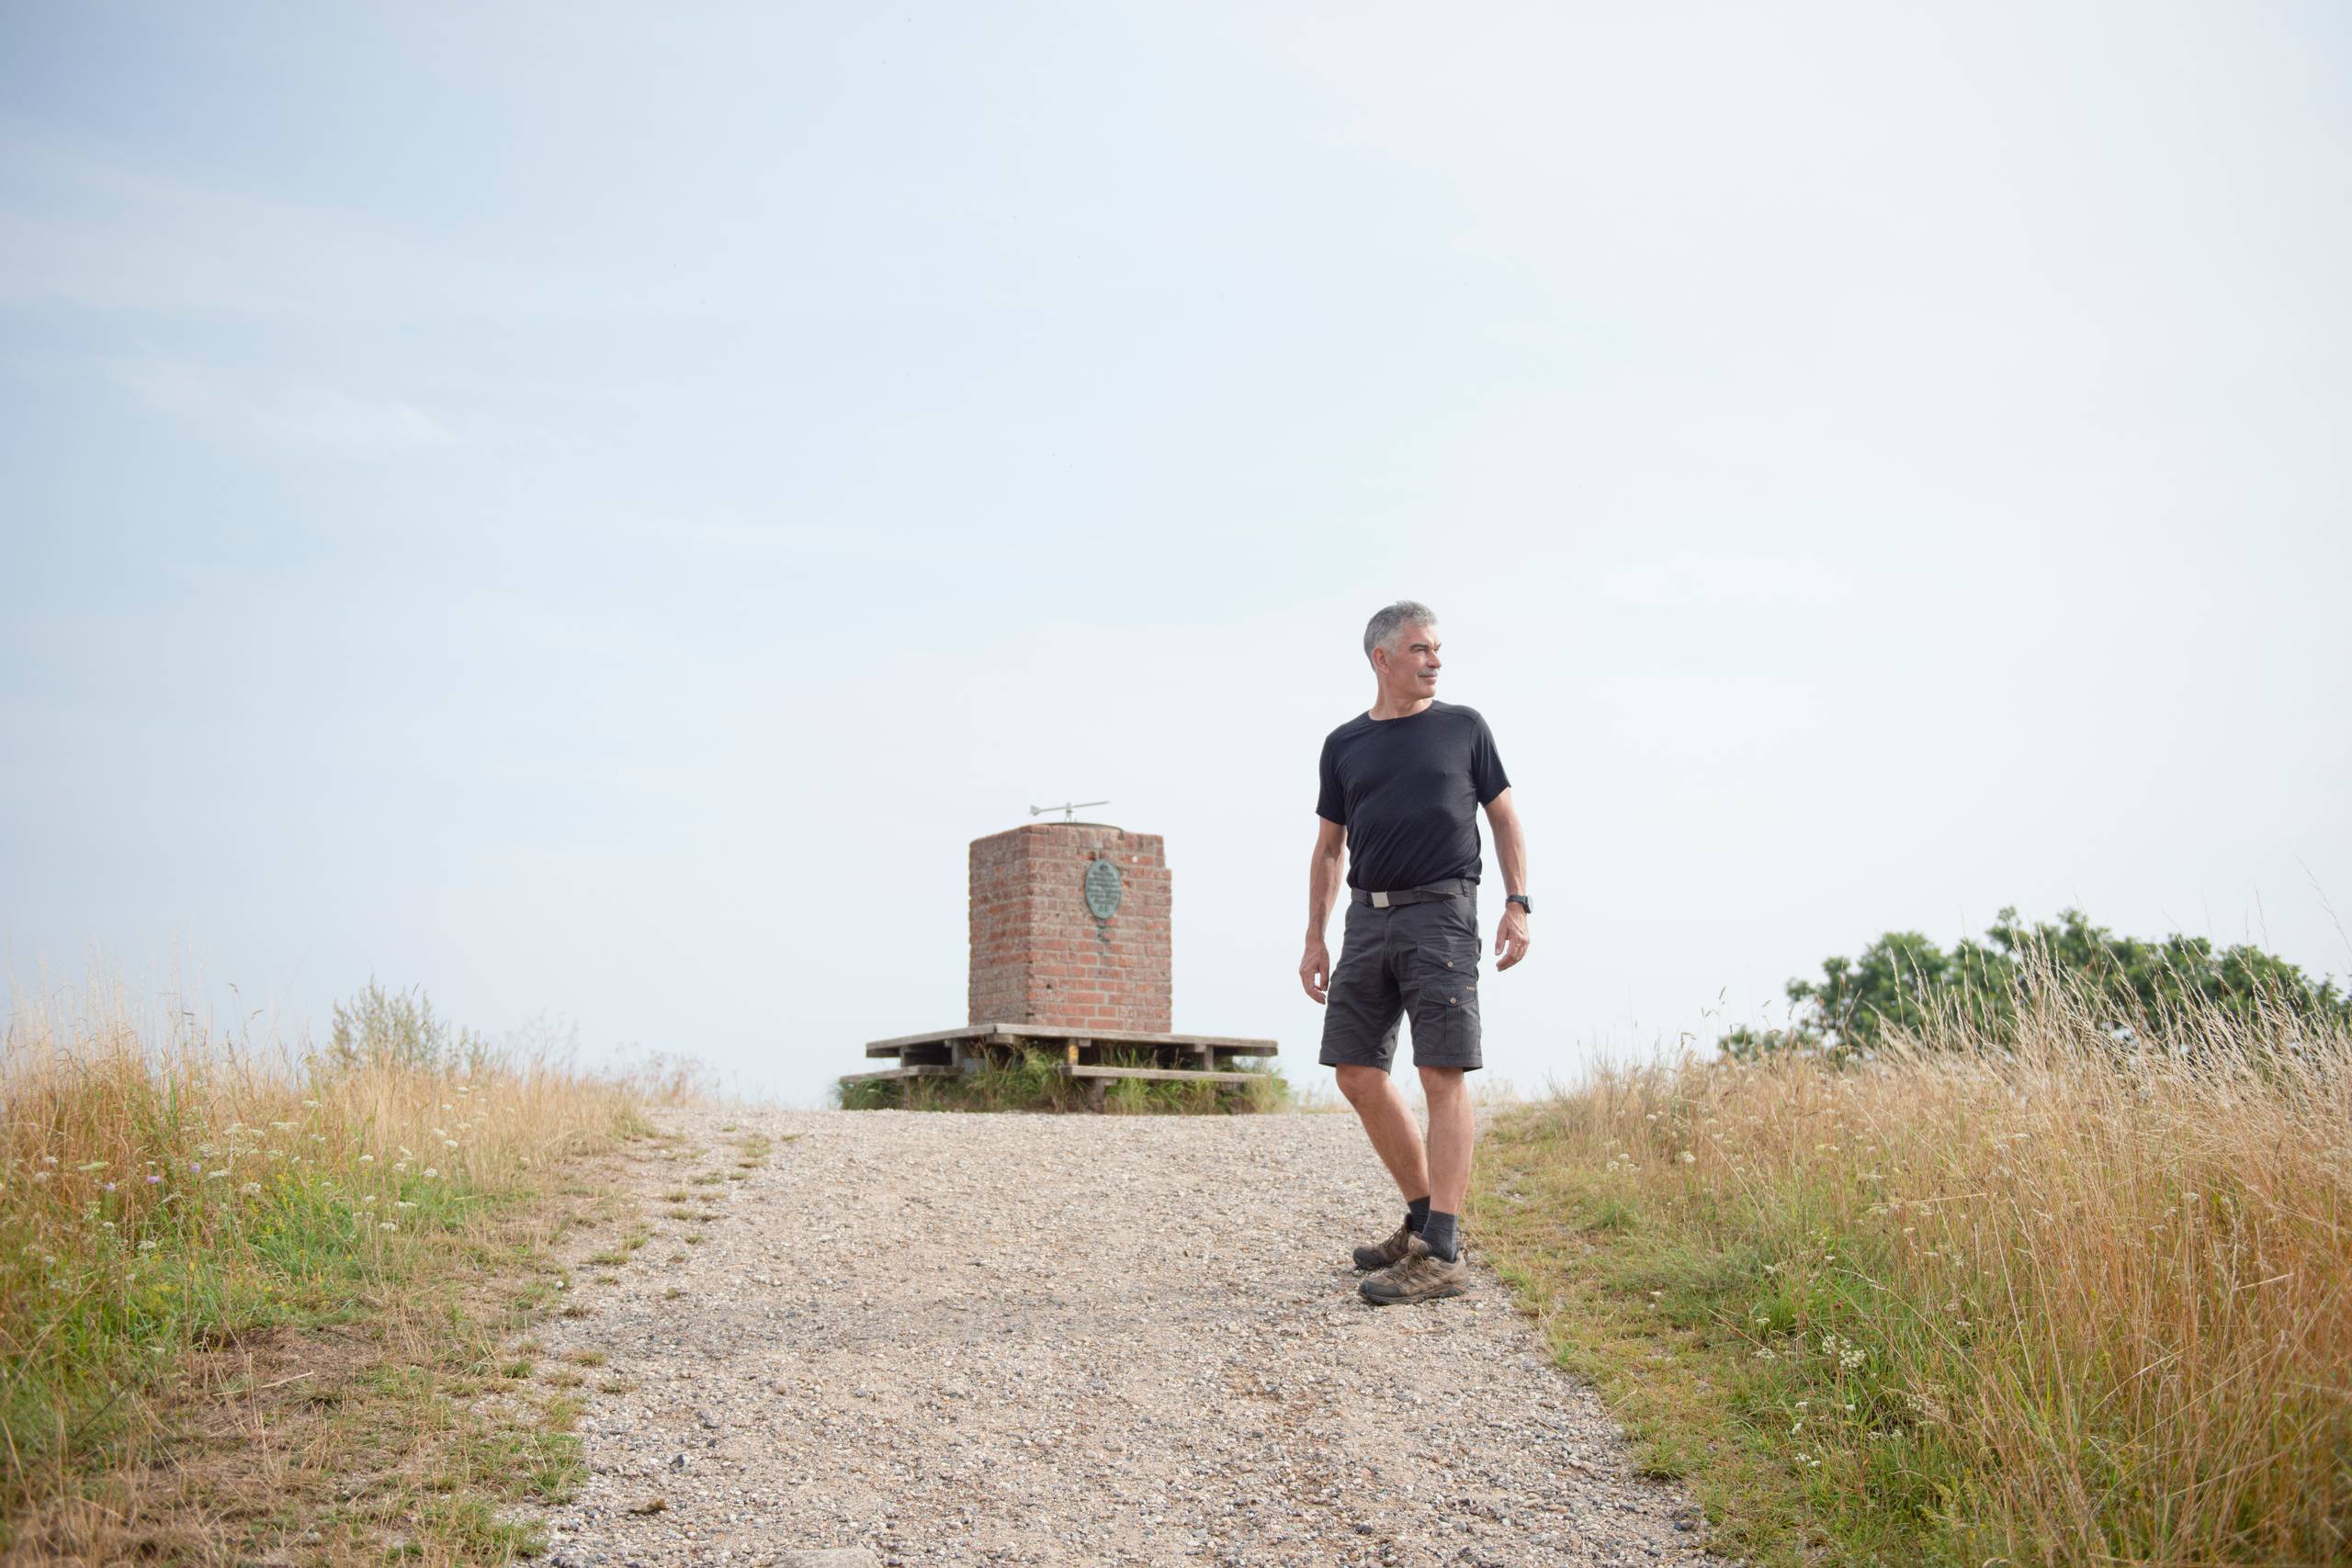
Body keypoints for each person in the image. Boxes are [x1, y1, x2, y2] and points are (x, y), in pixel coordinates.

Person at [1300, 600, 1531, 1306]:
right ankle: (1422, 1216)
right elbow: (1329, 847)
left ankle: (1444, 1250)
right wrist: (1315, 933)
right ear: (1383, 658)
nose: (1435, 660)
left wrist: (1519, 903)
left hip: (1443, 912)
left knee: (1441, 1072)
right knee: (1355, 1071)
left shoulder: (1464, 728)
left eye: (1438, 649)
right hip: (1367, 919)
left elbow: (1505, 818)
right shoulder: (1344, 744)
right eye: (1422, 649)